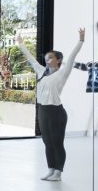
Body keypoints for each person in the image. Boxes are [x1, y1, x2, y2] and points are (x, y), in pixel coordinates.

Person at [26, 30, 84, 181]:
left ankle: (58, 172)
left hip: (56, 112)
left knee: (57, 142)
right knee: (47, 142)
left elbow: (71, 58)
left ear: (58, 60)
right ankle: (51, 169)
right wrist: (20, 44)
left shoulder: (63, 73)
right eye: (46, 57)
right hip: (43, 111)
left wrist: (81, 41)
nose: (47, 59)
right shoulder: (41, 72)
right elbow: (31, 59)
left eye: (50, 57)